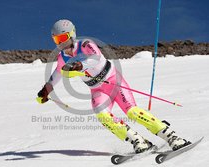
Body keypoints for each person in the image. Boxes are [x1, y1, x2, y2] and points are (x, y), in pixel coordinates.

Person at [37, 19, 191, 153]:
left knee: (132, 112)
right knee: (103, 117)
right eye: (57, 40)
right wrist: (46, 90)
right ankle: (137, 140)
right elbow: (56, 74)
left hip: (113, 81)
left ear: (72, 35)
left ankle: (171, 136)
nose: (61, 43)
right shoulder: (61, 58)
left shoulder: (85, 44)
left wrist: (79, 65)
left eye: (63, 38)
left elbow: (96, 58)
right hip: (97, 89)